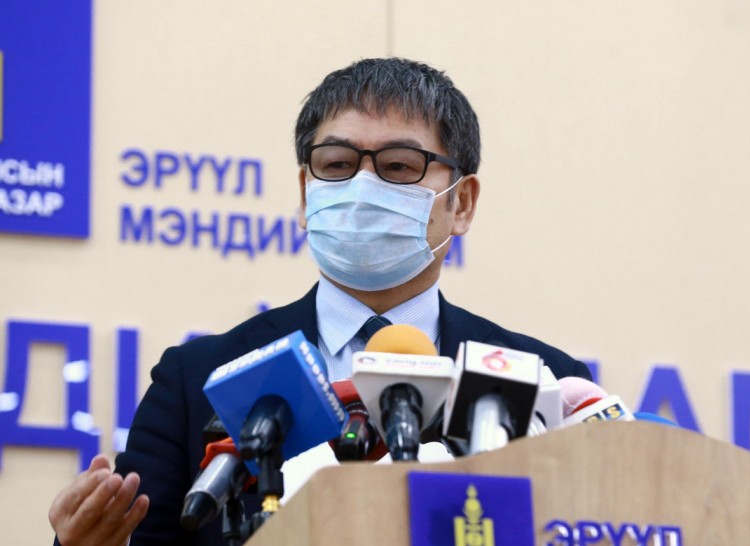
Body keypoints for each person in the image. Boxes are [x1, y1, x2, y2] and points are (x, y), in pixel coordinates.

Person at [49, 57, 592, 546]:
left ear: (463, 203)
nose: (362, 186)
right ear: (306, 193)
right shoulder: (197, 379)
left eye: (398, 166)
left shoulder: (545, 381)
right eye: (336, 164)